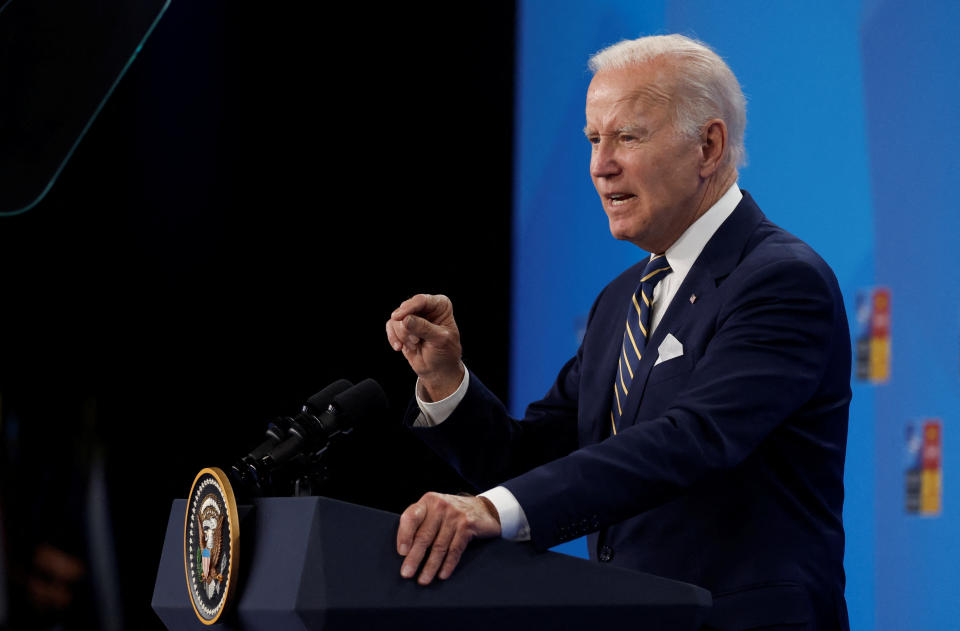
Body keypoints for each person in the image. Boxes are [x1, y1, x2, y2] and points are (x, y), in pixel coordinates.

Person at [386, 34, 850, 630]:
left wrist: (489, 511)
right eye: (593, 140)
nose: (601, 165)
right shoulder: (622, 298)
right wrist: (447, 381)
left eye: (628, 137)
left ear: (708, 145)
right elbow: (531, 457)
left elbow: (693, 438)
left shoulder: (781, 280)